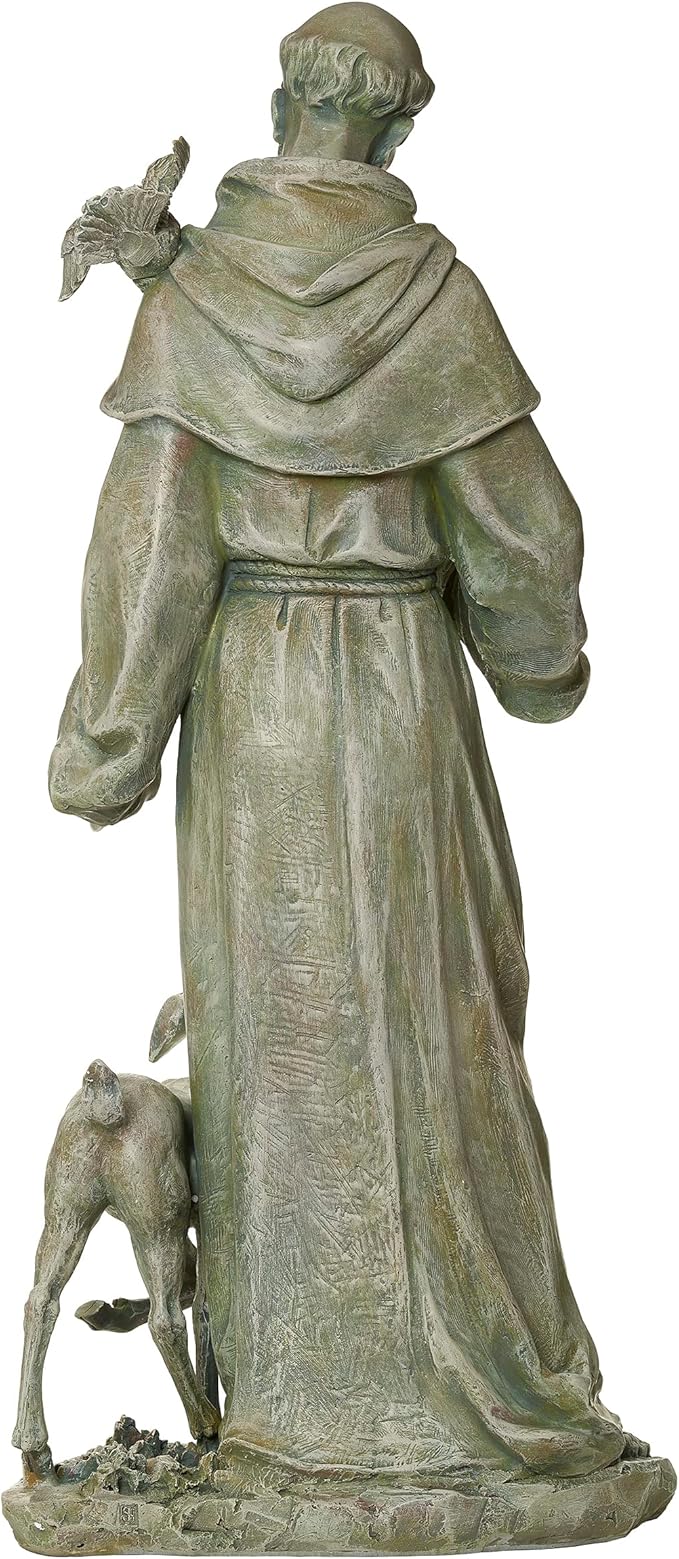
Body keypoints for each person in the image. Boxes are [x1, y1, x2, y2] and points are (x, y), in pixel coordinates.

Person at [49, 3, 639, 1481]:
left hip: (254, 714)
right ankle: (453, 1380)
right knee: (437, 1019)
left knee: (280, 1038)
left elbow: (149, 536)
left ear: (280, 108)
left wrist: (110, 735)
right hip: (400, 698)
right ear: (402, 126)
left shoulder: (196, 297)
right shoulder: (439, 304)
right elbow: (525, 529)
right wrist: (541, 663)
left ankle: (309, 1405)